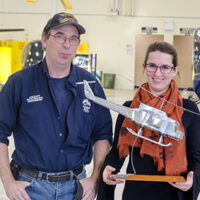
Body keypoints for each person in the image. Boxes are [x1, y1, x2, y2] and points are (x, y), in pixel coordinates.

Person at [0, 12, 112, 200]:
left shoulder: (90, 85)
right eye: (59, 36)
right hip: (30, 188)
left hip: (77, 188)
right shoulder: (19, 83)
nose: (67, 45)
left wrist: (95, 178)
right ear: (45, 40)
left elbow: (102, 135)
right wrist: (8, 182)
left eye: (73, 39)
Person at [97, 42, 200, 200]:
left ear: (175, 70)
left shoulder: (188, 109)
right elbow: (117, 152)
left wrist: (193, 178)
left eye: (165, 67)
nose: (158, 73)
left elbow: (197, 155)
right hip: (136, 193)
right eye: (152, 65)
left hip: (175, 193)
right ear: (144, 67)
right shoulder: (130, 108)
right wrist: (108, 169)